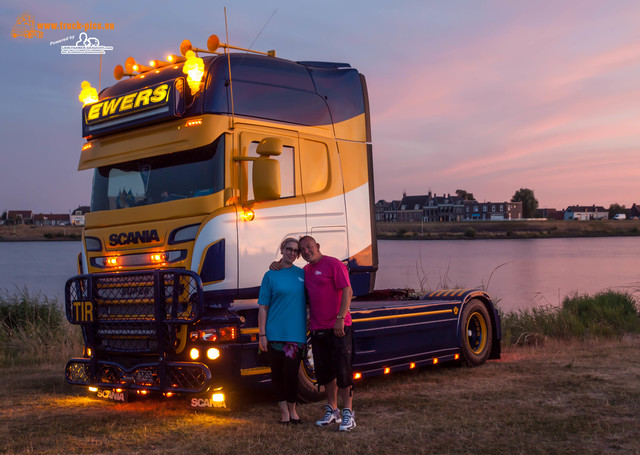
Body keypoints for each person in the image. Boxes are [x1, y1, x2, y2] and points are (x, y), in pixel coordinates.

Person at [298, 235, 356, 432]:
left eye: (309, 247)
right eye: (303, 249)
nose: (307, 251)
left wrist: (340, 318)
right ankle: (333, 410)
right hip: (317, 328)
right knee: (325, 372)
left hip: (338, 327)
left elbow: (347, 291)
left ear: (318, 246)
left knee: (343, 370)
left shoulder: (334, 264)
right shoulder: (306, 271)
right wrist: (278, 264)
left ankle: (348, 412)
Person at [258, 238, 307, 425]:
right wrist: (262, 334)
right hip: (274, 333)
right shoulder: (270, 276)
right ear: (282, 249)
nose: (292, 253)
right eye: (289, 249)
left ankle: (293, 410)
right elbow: (263, 307)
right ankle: (284, 413)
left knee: (292, 374)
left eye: (296, 251)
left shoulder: (302, 274)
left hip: (296, 335)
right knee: (277, 374)